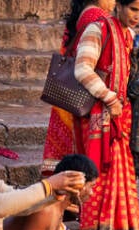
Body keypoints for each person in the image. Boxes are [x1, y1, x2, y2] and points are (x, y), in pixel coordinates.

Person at [74, 0, 139, 230]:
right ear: (119, 6)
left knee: (121, 178)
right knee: (99, 175)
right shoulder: (97, 29)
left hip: (120, 118)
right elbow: (82, 69)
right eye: (133, 9)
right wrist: (109, 97)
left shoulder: (129, 35)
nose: (138, 15)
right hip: (99, 115)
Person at [41, 0, 116, 175]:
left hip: (77, 89)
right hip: (88, 90)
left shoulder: (86, 12)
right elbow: (86, 66)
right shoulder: (97, 16)